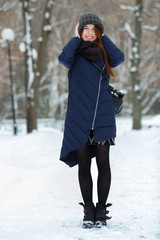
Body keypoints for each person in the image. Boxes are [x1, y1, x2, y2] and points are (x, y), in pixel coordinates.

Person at [58, 12, 124, 229]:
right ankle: (88, 210)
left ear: (98, 32)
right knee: (84, 164)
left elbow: (119, 58)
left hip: (103, 117)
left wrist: (103, 38)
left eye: (93, 30)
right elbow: (63, 59)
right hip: (79, 118)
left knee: (103, 164)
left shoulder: (105, 52)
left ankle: (101, 210)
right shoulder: (74, 53)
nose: (89, 33)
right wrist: (75, 38)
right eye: (85, 29)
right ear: (80, 31)